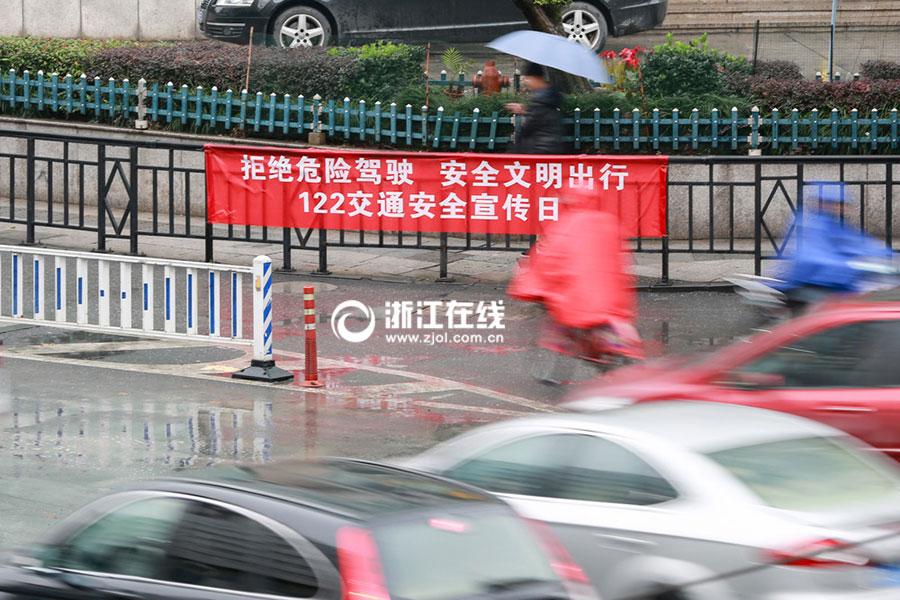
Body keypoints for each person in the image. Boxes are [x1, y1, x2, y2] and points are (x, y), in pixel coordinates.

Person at [508, 187, 643, 384]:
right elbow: (621, 259)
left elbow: (549, 260)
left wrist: (535, 287)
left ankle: (557, 374)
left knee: (563, 330)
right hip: (606, 297)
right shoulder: (608, 223)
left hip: (574, 298)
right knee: (607, 334)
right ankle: (619, 369)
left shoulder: (565, 227)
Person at [776, 182, 894, 312]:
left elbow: (858, 242)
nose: (839, 208)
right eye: (835, 203)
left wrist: (885, 254)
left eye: (841, 204)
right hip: (810, 286)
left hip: (838, 285)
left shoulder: (836, 225)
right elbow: (814, 257)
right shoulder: (809, 224)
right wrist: (853, 265)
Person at [505, 62, 564, 155]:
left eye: (529, 78)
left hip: (540, 152)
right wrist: (525, 110)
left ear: (537, 78)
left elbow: (533, 126)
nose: (526, 82)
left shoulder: (542, 100)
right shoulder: (545, 98)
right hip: (540, 150)